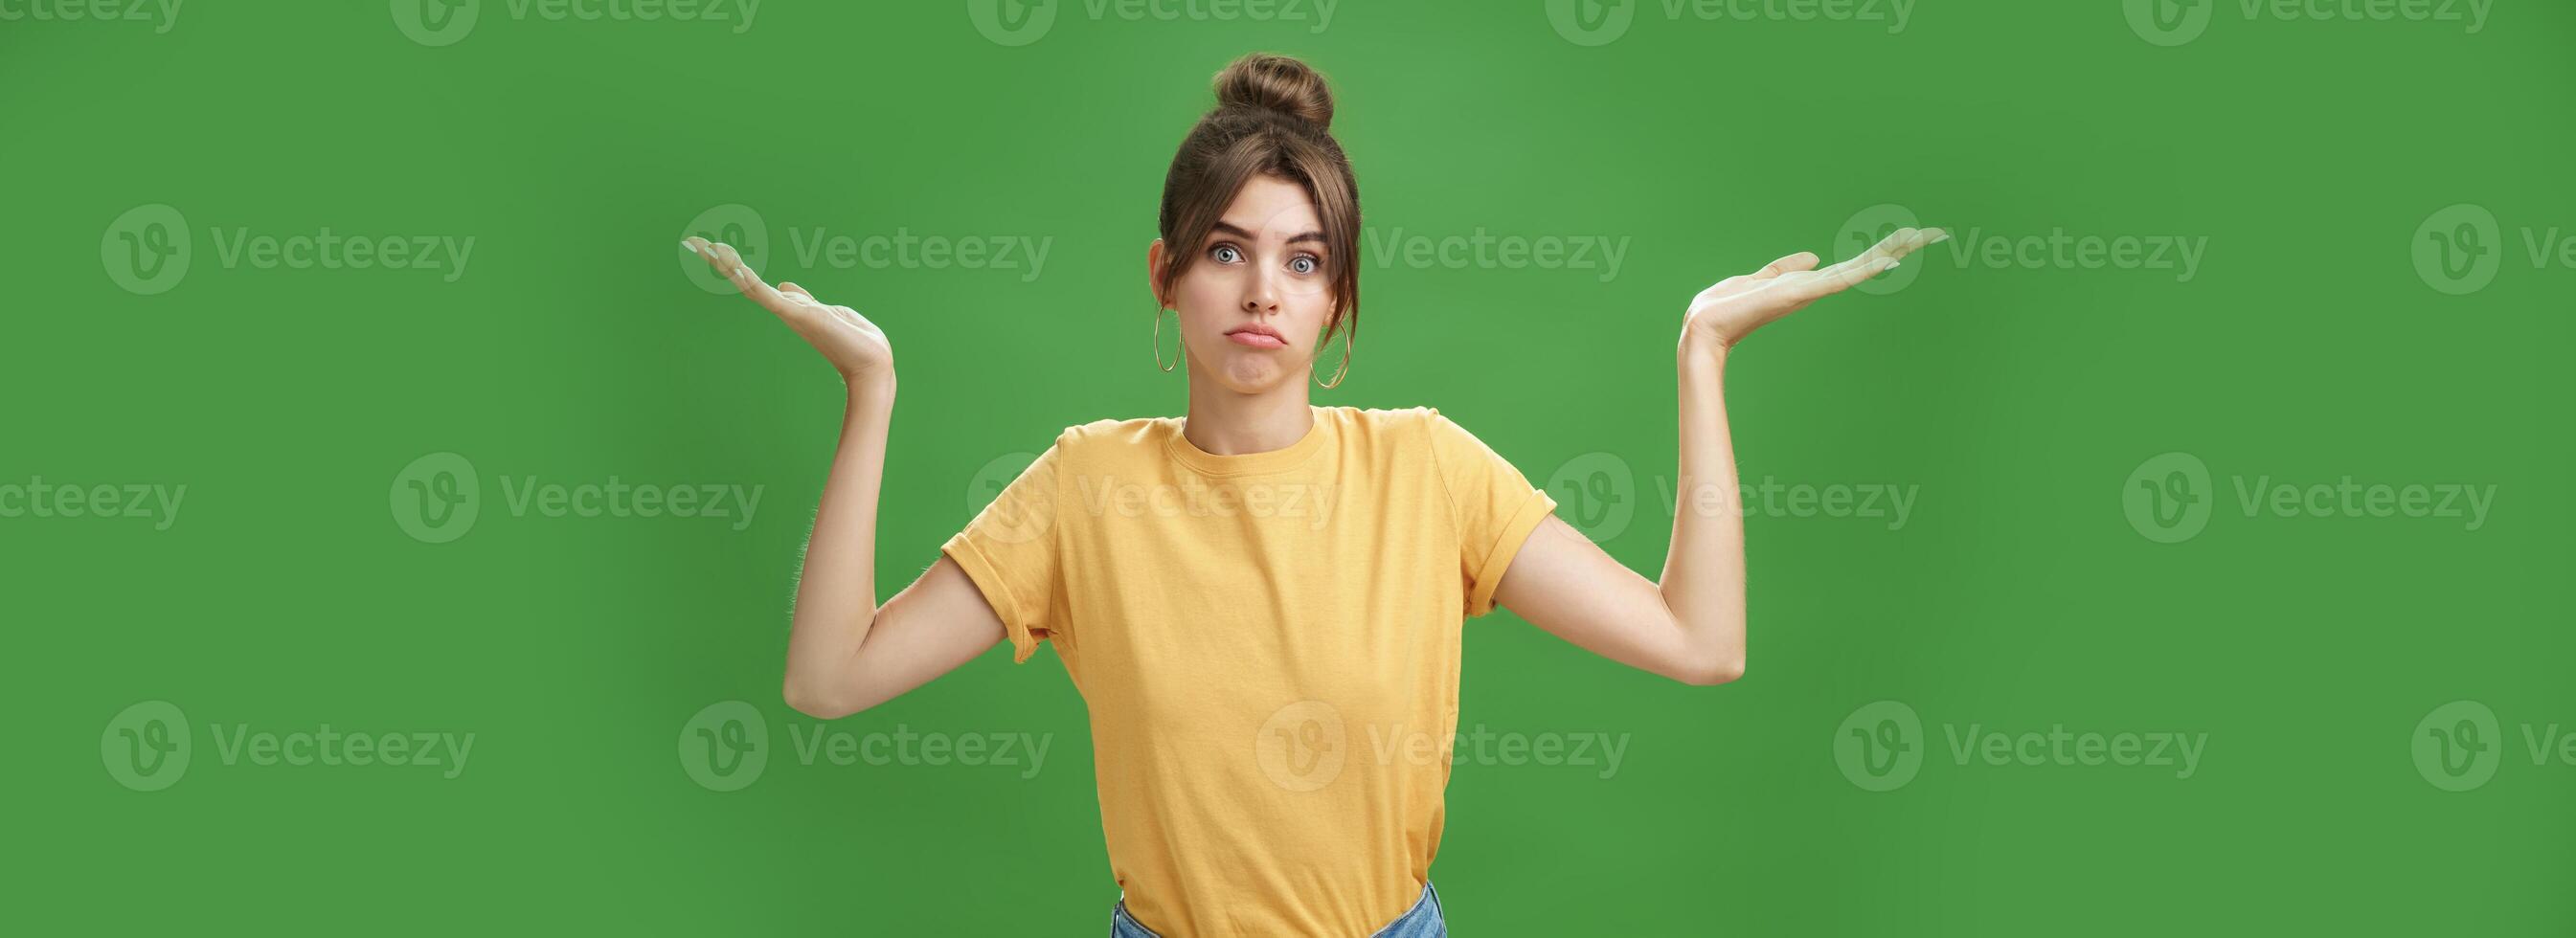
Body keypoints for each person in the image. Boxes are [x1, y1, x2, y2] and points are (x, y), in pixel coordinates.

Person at [680, 51, 1941, 938]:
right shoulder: (1084, 488)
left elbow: (1698, 643)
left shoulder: (1426, 470)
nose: (1262, 292)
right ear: (1167, 275)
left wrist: (1700, 352)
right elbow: (827, 680)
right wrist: (872, 389)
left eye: (1302, 260)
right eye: (1226, 251)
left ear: (1336, 297)